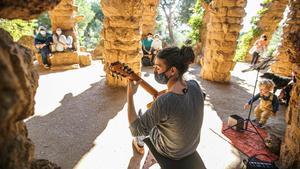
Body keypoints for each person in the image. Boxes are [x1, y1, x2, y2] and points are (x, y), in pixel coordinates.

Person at [127, 46, 206, 169]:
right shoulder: (194, 85)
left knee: (142, 115)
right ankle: (140, 143)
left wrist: (129, 95)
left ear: (172, 70)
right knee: (156, 116)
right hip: (192, 146)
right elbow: (184, 95)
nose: (155, 71)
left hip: (171, 152)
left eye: (158, 67)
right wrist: (165, 93)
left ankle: (139, 143)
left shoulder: (165, 102)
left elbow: (135, 129)